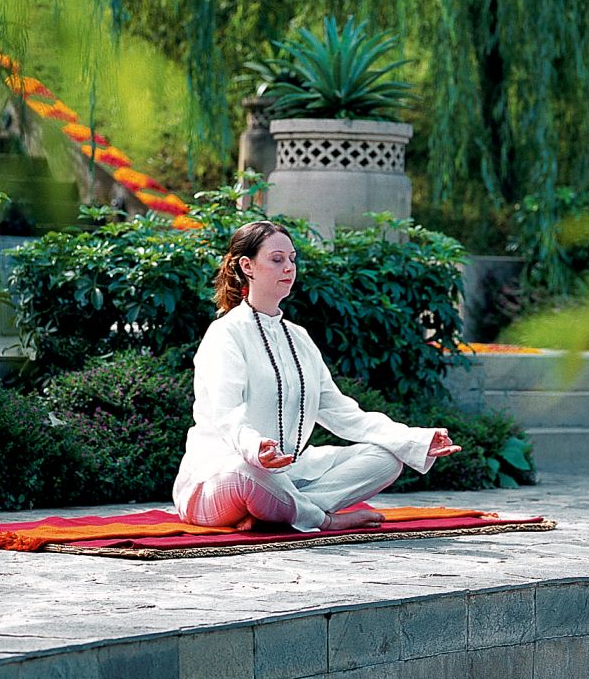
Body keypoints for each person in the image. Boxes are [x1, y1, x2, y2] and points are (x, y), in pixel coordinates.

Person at [173, 220, 460, 533]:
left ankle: (278, 510)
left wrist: (414, 439)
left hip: (289, 476)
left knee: (388, 459)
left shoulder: (299, 339)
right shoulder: (225, 334)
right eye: (277, 259)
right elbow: (226, 415)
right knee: (250, 471)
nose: (289, 268)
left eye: (293, 259)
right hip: (219, 477)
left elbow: (344, 414)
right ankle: (321, 519)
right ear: (247, 266)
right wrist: (256, 448)